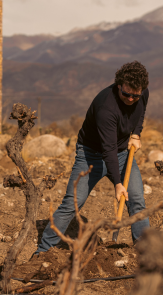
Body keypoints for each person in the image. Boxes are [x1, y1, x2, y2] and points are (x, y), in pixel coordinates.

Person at [36, 61, 150, 254]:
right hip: (90, 155)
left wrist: (136, 134)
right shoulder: (106, 107)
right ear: (119, 85)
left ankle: (146, 250)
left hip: (122, 153)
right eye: (126, 94)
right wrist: (117, 183)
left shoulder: (142, 93)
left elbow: (140, 114)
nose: (131, 99)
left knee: (137, 199)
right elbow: (108, 149)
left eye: (135, 95)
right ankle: (44, 250)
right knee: (73, 202)